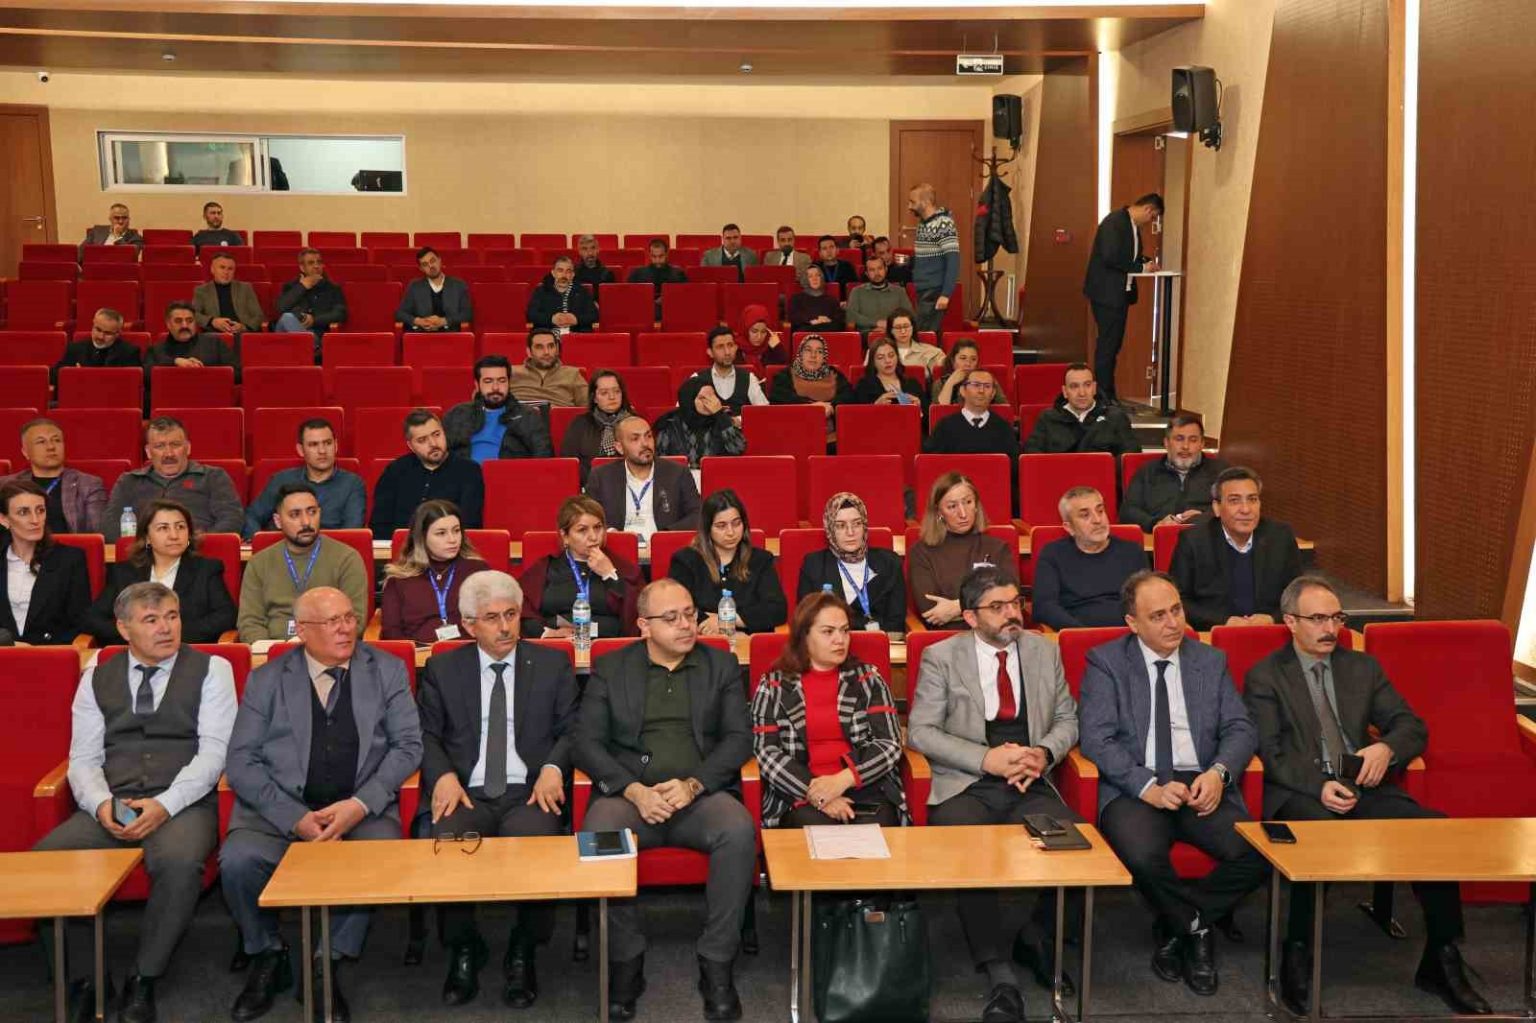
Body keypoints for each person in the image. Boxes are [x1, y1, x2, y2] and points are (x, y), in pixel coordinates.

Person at [1244, 575, 1491, 1017]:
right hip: (1302, 789)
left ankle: (1442, 956)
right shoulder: (1266, 675)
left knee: (1435, 832)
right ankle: (1296, 950)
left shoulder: (1362, 668)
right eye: (1317, 619)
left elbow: (1411, 726)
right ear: (1290, 622)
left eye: (1336, 618)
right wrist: (1318, 785)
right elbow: (1271, 753)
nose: (1330, 629)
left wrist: (1386, 749)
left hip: (1360, 783)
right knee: (1318, 837)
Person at [35, 581, 236, 1023]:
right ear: (124, 629)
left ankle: (144, 976)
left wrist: (166, 804)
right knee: (45, 861)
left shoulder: (213, 669)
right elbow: (83, 758)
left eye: (172, 617)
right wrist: (101, 804)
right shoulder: (96, 676)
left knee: (179, 862)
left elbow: (215, 753)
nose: (166, 628)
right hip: (116, 797)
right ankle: (86, 978)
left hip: (184, 801)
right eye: (151, 620)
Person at [222, 587, 422, 1022]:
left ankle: (325, 961)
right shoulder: (268, 679)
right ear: (302, 631)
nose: (346, 629)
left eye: (349, 617)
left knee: (378, 853)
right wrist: (294, 818)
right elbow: (240, 760)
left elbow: (409, 746)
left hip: (359, 807)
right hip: (280, 808)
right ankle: (267, 951)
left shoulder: (386, 670)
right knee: (239, 861)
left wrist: (360, 805)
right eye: (332, 622)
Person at [1078, 570, 1269, 998]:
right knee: (1142, 855)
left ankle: (1179, 923)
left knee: (1259, 854)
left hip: (1200, 781)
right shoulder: (1106, 662)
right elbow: (1096, 738)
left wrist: (1219, 773)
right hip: (1135, 785)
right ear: (1132, 623)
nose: (1173, 623)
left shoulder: (1209, 660)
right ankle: (1197, 932)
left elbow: (1240, 728)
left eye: (1177, 610)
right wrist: (1146, 785)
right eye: (1158, 616)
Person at [574, 578, 756, 1021]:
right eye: (671, 618)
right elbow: (585, 743)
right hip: (631, 798)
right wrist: (633, 790)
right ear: (643, 626)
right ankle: (625, 959)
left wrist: (694, 784)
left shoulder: (720, 664)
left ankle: (717, 961)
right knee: (598, 832)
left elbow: (738, 738)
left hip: (698, 797)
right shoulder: (612, 667)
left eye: (690, 614)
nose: (686, 625)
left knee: (738, 830)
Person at [908, 566, 1084, 1021]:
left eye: (1015, 603)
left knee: (1077, 844)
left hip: (1030, 778)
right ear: (970, 617)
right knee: (969, 845)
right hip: (968, 781)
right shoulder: (942, 657)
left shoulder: (1044, 650)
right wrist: (986, 759)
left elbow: (1067, 719)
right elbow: (921, 731)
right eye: (998, 607)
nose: (1012, 614)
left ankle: (1035, 934)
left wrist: (1043, 753)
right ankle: (997, 968)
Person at [418, 570, 578, 1009]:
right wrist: (443, 776)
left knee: (538, 842)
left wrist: (553, 768)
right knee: (449, 841)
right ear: (469, 624)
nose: (506, 627)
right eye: (492, 618)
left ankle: (525, 947)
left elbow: (572, 729)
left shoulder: (551, 664)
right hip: (465, 789)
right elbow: (425, 734)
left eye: (511, 614)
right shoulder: (443, 668)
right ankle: (464, 946)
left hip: (529, 788)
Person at [752, 590, 905, 829]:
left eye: (845, 631)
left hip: (865, 785)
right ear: (804, 636)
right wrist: (817, 794)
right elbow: (765, 752)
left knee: (876, 830)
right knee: (814, 829)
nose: (840, 640)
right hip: (798, 791)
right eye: (828, 632)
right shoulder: (773, 684)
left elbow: (890, 743)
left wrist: (843, 780)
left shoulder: (868, 679)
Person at [83, 498, 236, 645]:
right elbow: (94, 619)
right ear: (147, 537)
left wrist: (170, 634)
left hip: (187, 650)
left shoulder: (207, 569)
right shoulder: (124, 572)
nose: (174, 535)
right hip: (135, 652)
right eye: (163, 528)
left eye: (180, 527)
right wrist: (138, 636)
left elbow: (226, 616)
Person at [1169, 466, 1302, 630]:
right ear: (1217, 508)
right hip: (1214, 634)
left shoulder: (1280, 537)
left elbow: (1299, 595)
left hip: (1269, 633)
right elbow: (1176, 600)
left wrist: (1272, 618)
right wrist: (1223, 621)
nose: (1246, 510)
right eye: (1234, 501)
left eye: (1252, 499)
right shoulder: (1193, 541)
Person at [237, 483, 370, 643]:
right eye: (295, 515)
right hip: (272, 650)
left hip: (329, 649)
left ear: (320, 513)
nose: (306, 522)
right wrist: (270, 649)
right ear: (278, 521)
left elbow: (354, 620)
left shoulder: (347, 558)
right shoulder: (259, 563)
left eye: (312, 512)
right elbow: (249, 621)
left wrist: (314, 646)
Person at [518, 495, 641, 640]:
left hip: (610, 646)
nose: (593, 537)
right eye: (582, 530)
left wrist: (609, 575)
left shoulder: (622, 567)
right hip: (556, 645)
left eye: (598, 527)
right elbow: (522, 611)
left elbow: (637, 614)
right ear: (565, 536)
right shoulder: (545, 568)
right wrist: (547, 634)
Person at [104, 416, 245, 541]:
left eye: (175, 445)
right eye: (159, 446)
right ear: (148, 452)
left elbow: (232, 520)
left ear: (188, 448)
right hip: (143, 556)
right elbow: (109, 527)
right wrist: (147, 546)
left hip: (198, 554)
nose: (169, 454)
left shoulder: (213, 477)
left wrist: (194, 543)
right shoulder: (129, 482)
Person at [667, 488, 785, 634]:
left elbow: (777, 610)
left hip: (747, 641)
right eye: (721, 526)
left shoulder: (761, 560)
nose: (731, 532)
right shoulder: (685, 561)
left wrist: (725, 620)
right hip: (702, 639)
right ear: (707, 528)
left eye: (736, 523)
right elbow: (676, 608)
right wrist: (745, 619)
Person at [1083, 193, 1162, 405]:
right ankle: (1103, 396)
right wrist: (1140, 268)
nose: (1151, 222)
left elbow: (1129, 256)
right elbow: (1111, 257)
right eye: (1153, 216)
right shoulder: (1115, 222)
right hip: (1107, 293)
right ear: (1148, 209)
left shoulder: (1132, 226)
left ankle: (1108, 394)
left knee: (1113, 345)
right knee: (1108, 346)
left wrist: (1146, 262)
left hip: (1120, 294)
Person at [1032, 487, 1147, 630]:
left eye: (1100, 511)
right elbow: (1044, 606)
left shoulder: (1132, 552)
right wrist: (1083, 634)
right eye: (1085, 515)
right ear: (1069, 527)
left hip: (1129, 633)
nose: (1097, 520)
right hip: (1077, 635)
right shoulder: (1053, 554)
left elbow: (1147, 600)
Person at [908, 471, 1012, 630]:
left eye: (968, 502)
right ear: (938, 512)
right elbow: (932, 611)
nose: (963, 514)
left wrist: (958, 607)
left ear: (976, 505)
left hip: (993, 634)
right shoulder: (921, 552)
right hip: (946, 638)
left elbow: (1008, 599)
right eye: (952, 506)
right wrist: (987, 605)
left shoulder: (997, 548)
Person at [380, 499, 490, 645]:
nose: (452, 539)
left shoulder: (478, 571)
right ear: (422, 537)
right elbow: (392, 633)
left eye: (456, 531)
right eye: (441, 533)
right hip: (419, 654)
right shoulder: (399, 579)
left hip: (468, 653)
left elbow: (492, 621)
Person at [797, 492, 906, 633]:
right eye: (841, 526)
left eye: (857, 524)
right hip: (831, 642)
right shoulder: (814, 564)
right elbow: (806, 620)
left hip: (880, 641)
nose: (850, 532)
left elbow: (896, 621)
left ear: (864, 526)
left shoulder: (890, 562)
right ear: (830, 529)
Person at [0, 479, 91, 645]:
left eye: (40, 510)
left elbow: (79, 623)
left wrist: (39, 652)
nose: (35, 520)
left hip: (50, 652)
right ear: (4, 519)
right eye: (23, 512)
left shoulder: (70, 559)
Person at [370, 410, 486, 539]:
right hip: (403, 547)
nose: (433, 444)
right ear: (411, 446)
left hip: (449, 546)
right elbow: (379, 525)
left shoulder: (468, 471)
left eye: (436, 434)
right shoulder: (395, 471)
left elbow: (470, 525)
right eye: (422, 440)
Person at [242, 418, 366, 538]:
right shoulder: (281, 480)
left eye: (328, 443)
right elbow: (251, 516)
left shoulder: (352, 484)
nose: (322, 451)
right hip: (284, 548)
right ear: (301, 450)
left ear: (336, 445)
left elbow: (351, 533)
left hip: (331, 550)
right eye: (313, 445)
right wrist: (262, 545)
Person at [586, 415, 701, 544]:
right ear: (619, 447)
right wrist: (613, 534)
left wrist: (664, 537)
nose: (645, 443)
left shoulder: (677, 473)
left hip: (663, 547)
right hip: (619, 547)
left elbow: (697, 514)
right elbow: (587, 516)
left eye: (648, 436)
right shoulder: (601, 476)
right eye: (635, 439)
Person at [1121, 415, 1229, 532]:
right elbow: (1128, 511)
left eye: (1193, 440)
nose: (1185, 446)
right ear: (1166, 443)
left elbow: (1234, 508)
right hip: (1158, 537)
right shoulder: (1148, 471)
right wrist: (1156, 523)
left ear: (1202, 444)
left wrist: (1204, 517)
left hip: (1205, 536)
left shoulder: (1221, 471)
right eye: (1179, 439)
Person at [0, 416, 106, 533]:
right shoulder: (5, 485)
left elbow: (98, 533)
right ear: (25, 452)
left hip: (68, 545)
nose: (51, 447)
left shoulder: (88, 485)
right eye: (41, 442)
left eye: (57, 440)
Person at [444, 356, 555, 464]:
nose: (495, 387)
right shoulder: (457, 414)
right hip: (465, 474)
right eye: (488, 381)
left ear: (509, 383)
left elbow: (544, 455)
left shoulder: (528, 416)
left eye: (501, 381)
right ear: (477, 385)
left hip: (509, 474)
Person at [1022, 364, 1138, 457]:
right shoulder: (1048, 418)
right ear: (1065, 392)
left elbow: (1130, 457)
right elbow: (1032, 457)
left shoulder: (1115, 417)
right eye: (1074, 386)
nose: (1082, 393)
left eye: (1087, 385)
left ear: (1094, 388)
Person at [923, 371, 1020, 479]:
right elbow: (930, 465)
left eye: (987, 386)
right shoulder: (945, 426)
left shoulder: (1003, 428)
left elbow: (1014, 469)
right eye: (976, 385)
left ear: (993, 394)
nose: (981, 390)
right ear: (962, 391)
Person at [654, 376, 747, 468]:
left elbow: (738, 449)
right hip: (680, 476)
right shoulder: (669, 424)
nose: (709, 402)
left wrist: (720, 416)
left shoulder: (722, 420)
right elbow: (660, 463)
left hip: (716, 474)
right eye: (702, 398)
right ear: (689, 400)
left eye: (712, 396)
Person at [767, 335, 854, 436]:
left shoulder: (835, 375)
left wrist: (831, 407)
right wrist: (812, 408)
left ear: (824, 356)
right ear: (801, 353)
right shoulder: (785, 376)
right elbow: (779, 401)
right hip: (794, 433)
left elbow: (849, 398)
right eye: (808, 350)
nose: (813, 355)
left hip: (833, 436)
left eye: (819, 351)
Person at [561, 369, 634, 483]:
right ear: (594, 398)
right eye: (604, 393)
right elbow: (569, 464)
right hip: (588, 485)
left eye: (616, 391)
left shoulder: (636, 423)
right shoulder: (579, 424)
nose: (612, 397)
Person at [908, 183, 961, 334]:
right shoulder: (923, 224)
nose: (909, 206)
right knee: (925, 333)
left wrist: (945, 294)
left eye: (912, 202)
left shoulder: (943, 223)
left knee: (925, 335)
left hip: (934, 289)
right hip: (923, 288)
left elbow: (953, 260)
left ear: (925, 202)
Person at [144, 301, 242, 382]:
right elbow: (146, 376)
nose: (184, 325)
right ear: (168, 324)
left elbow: (238, 374)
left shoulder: (215, 344)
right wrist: (174, 362)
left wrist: (203, 372)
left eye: (189, 320)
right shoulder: (156, 350)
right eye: (178, 321)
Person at [274, 249, 348, 353]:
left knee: (289, 321)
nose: (316, 266)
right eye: (311, 263)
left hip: (316, 334)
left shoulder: (332, 288)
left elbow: (340, 314)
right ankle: (312, 348)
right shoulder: (291, 287)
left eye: (319, 262)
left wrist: (314, 320)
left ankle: (309, 346)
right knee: (287, 318)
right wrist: (302, 287)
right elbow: (280, 307)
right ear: (302, 268)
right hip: (288, 336)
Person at [51, 307, 142, 384]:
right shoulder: (75, 348)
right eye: (98, 330)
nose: (100, 337)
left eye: (108, 333)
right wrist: (71, 373)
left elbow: (131, 383)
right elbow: (53, 376)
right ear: (93, 325)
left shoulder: (129, 352)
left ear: (118, 334)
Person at [697, 327, 769, 416]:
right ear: (710, 352)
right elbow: (686, 415)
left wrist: (739, 420)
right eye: (720, 347)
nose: (727, 352)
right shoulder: (697, 379)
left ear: (736, 348)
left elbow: (764, 412)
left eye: (730, 345)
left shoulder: (748, 378)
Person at [510, 329, 590, 408]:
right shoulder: (511, 372)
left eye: (551, 346)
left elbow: (590, 406)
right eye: (539, 347)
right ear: (529, 352)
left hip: (558, 414)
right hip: (519, 414)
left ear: (557, 350)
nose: (546, 352)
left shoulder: (573, 374)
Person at [192, 252, 264, 334]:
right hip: (215, 334)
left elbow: (258, 315)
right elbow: (194, 314)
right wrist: (212, 321)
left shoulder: (245, 288)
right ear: (212, 269)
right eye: (222, 267)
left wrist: (244, 327)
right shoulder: (202, 290)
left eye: (230, 269)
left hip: (243, 333)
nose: (226, 272)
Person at [526, 255, 598, 335]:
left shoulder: (582, 292)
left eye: (568, 271)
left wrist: (576, 319)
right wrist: (551, 319)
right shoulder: (541, 291)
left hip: (576, 335)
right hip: (548, 336)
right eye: (560, 271)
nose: (564, 275)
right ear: (553, 273)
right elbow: (531, 314)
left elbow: (594, 315)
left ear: (573, 275)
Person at [845, 254, 914, 333]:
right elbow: (851, 317)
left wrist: (889, 326)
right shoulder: (857, 292)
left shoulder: (899, 291)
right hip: (866, 335)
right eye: (872, 270)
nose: (877, 273)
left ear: (886, 269)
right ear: (867, 273)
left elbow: (910, 315)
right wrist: (876, 323)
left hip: (894, 334)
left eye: (880, 268)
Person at [851, 337, 926, 409]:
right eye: (880, 357)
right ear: (873, 362)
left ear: (897, 357)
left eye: (891, 355)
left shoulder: (912, 383)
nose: (887, 361)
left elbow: (927, 414)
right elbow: (856, 415)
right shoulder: (865, 386)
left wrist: (919, 407)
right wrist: (875, 406)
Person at [626, 239, 688, 317]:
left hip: (672, 313)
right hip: (644, 313)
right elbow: (629, 297)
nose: (657, 260)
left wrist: (668, 298)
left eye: (661, 256)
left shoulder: (678, 274)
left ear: (666, 254)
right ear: (649, 255)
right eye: (654, 256)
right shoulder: (637, 274)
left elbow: (685, 298)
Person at [785, 265, 842, 333]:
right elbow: (794, 318)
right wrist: (812, 320)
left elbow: (839, 320)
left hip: (827, 332)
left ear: (821, 278)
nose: (815, 279)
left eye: (817, 275)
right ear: (805, 279)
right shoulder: (797, 299)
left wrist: (829, 320)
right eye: (810, 276)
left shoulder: (832, 300)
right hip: (806, 333)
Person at [735, 304, 788, 372]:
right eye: (754, 331)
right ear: (745, 330)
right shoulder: (734, 348)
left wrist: (777, 348)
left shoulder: (772, 346)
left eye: (763, 332)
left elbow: (786, 371)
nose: (759, 337)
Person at [931, 337, 980, 405]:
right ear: (953, 360)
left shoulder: (986, 382)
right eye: (963, 358)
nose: (968, 364)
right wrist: (950, 383)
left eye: (973, 359)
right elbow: (940, 410)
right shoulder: (940, 383)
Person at [79, 203, 143, 254]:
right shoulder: (97, 231)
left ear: (129, 219)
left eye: (124, 218)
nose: (120, 221)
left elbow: (130, 255)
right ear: (110, 219)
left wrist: (118, 236)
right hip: (95, 264)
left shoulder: (135, 237)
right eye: (117, 218)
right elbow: (81, 252)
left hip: (119, 266)